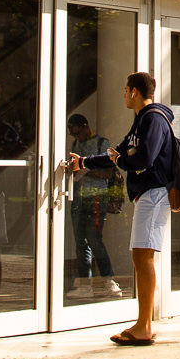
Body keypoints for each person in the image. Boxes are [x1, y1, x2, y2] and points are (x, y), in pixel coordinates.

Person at [69, 71, 175, 344]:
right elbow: (117, 152)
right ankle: (144, 324)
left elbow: (143, 158)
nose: (123, 95)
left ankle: (144, 326)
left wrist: (120, 161)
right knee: (140, 257)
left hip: (154, 194)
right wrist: (85, 162)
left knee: (143, 257)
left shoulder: (152, 119)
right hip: (146, 195)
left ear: (135, 92)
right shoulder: (142, 120)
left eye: (126, 90)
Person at [66, 113, 124, 298]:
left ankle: (108, 280)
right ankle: (85, 284)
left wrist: (85, 172)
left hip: (97, 196)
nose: (77, 138)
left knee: (95, 239)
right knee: (80, 241)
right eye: (74, 135)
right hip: (79, 197)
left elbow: (108, 174)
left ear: (85, 127)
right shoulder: (76, 145)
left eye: (79, 133)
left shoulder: (102, 144)